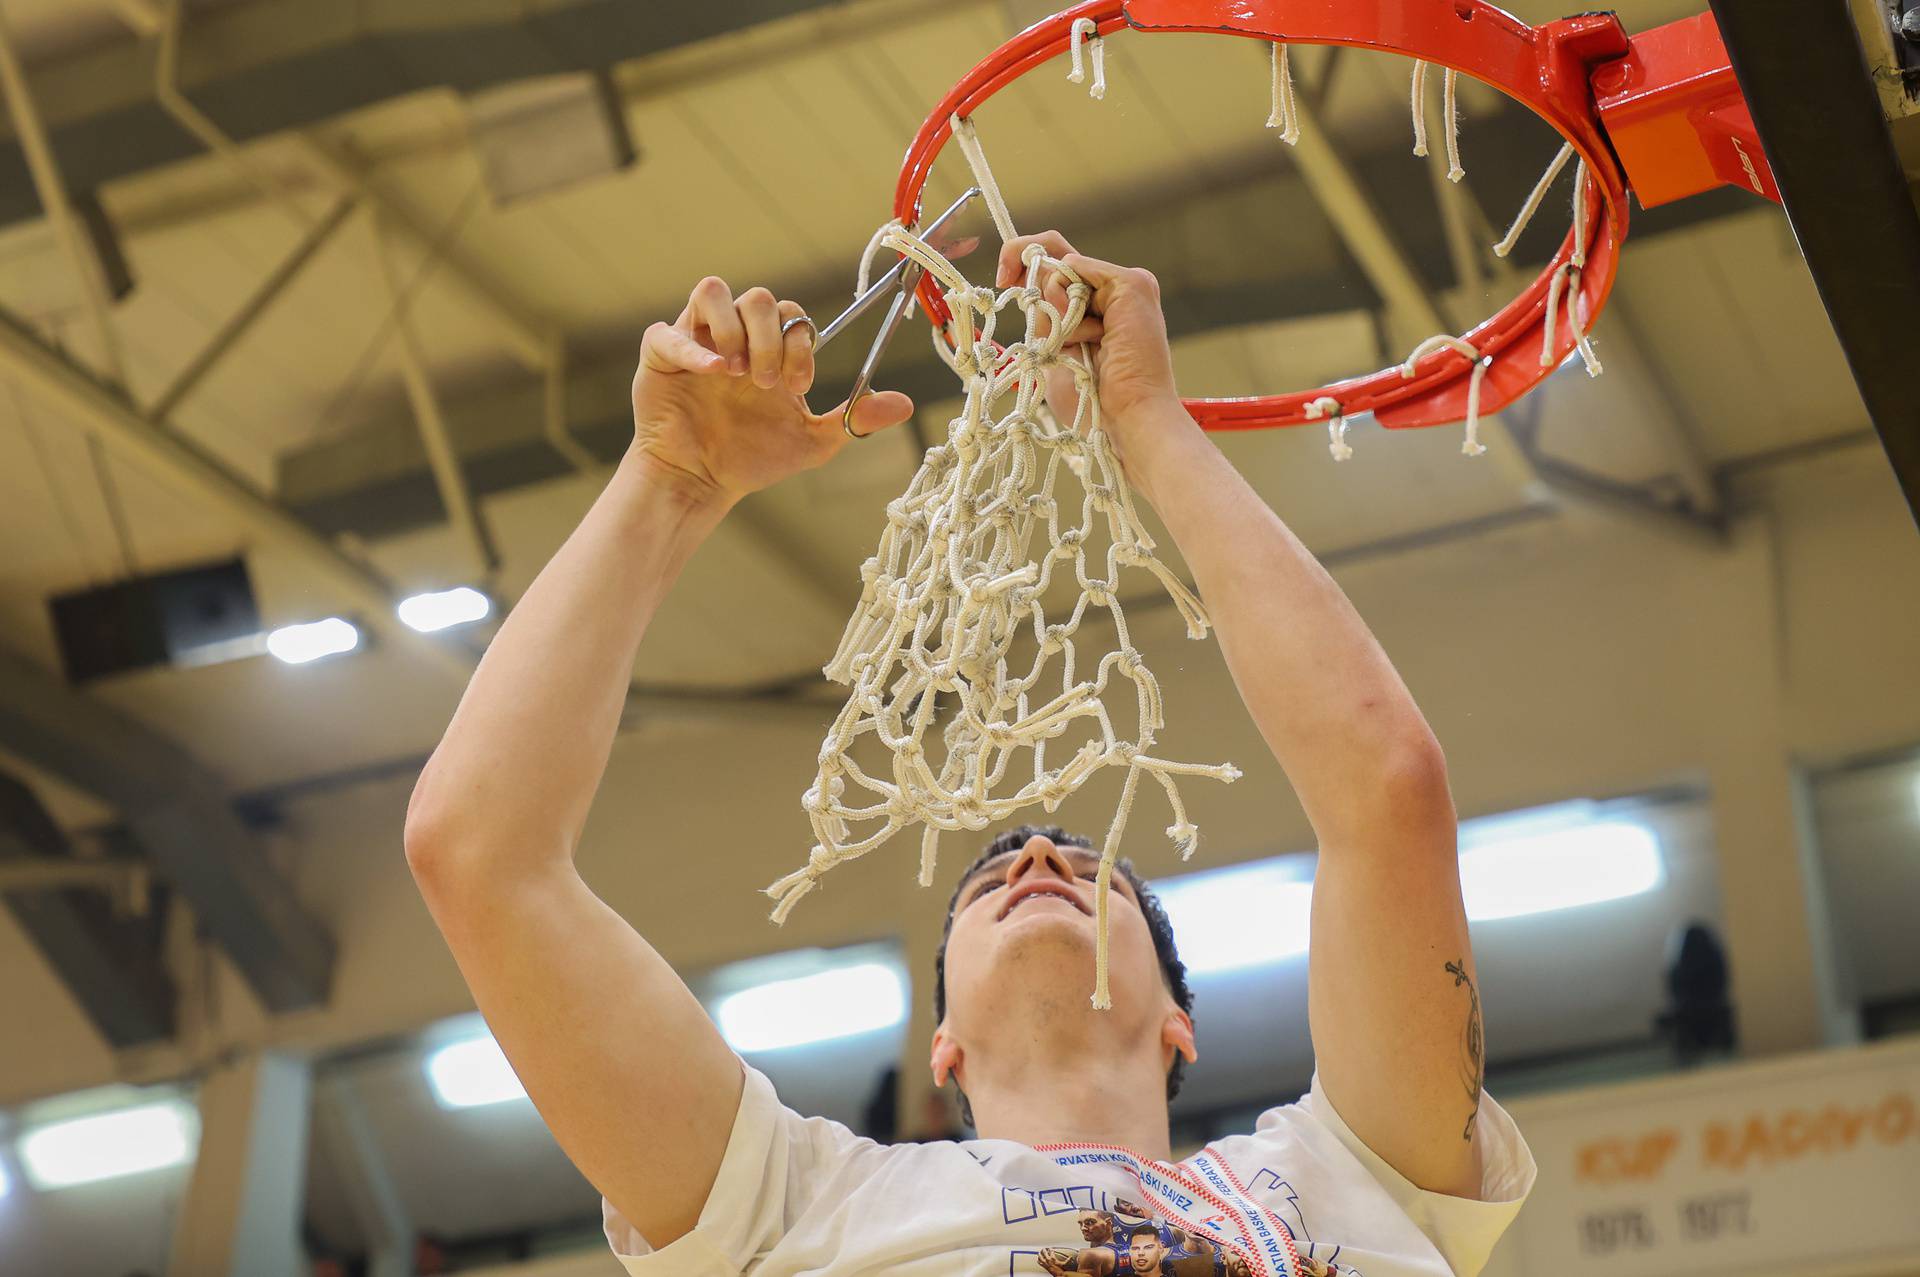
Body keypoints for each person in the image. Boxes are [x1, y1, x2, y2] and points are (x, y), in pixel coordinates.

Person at [403, 231, 1536, 1276]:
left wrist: (1147, 422)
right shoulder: (797, 1204)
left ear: (1182, 1022)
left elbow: (1390, 786)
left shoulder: (1348, 1176)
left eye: (1093, 873)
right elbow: (477, 852)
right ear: (938, 1042)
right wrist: (668, 483)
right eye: (993, 878)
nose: (1038, 851)